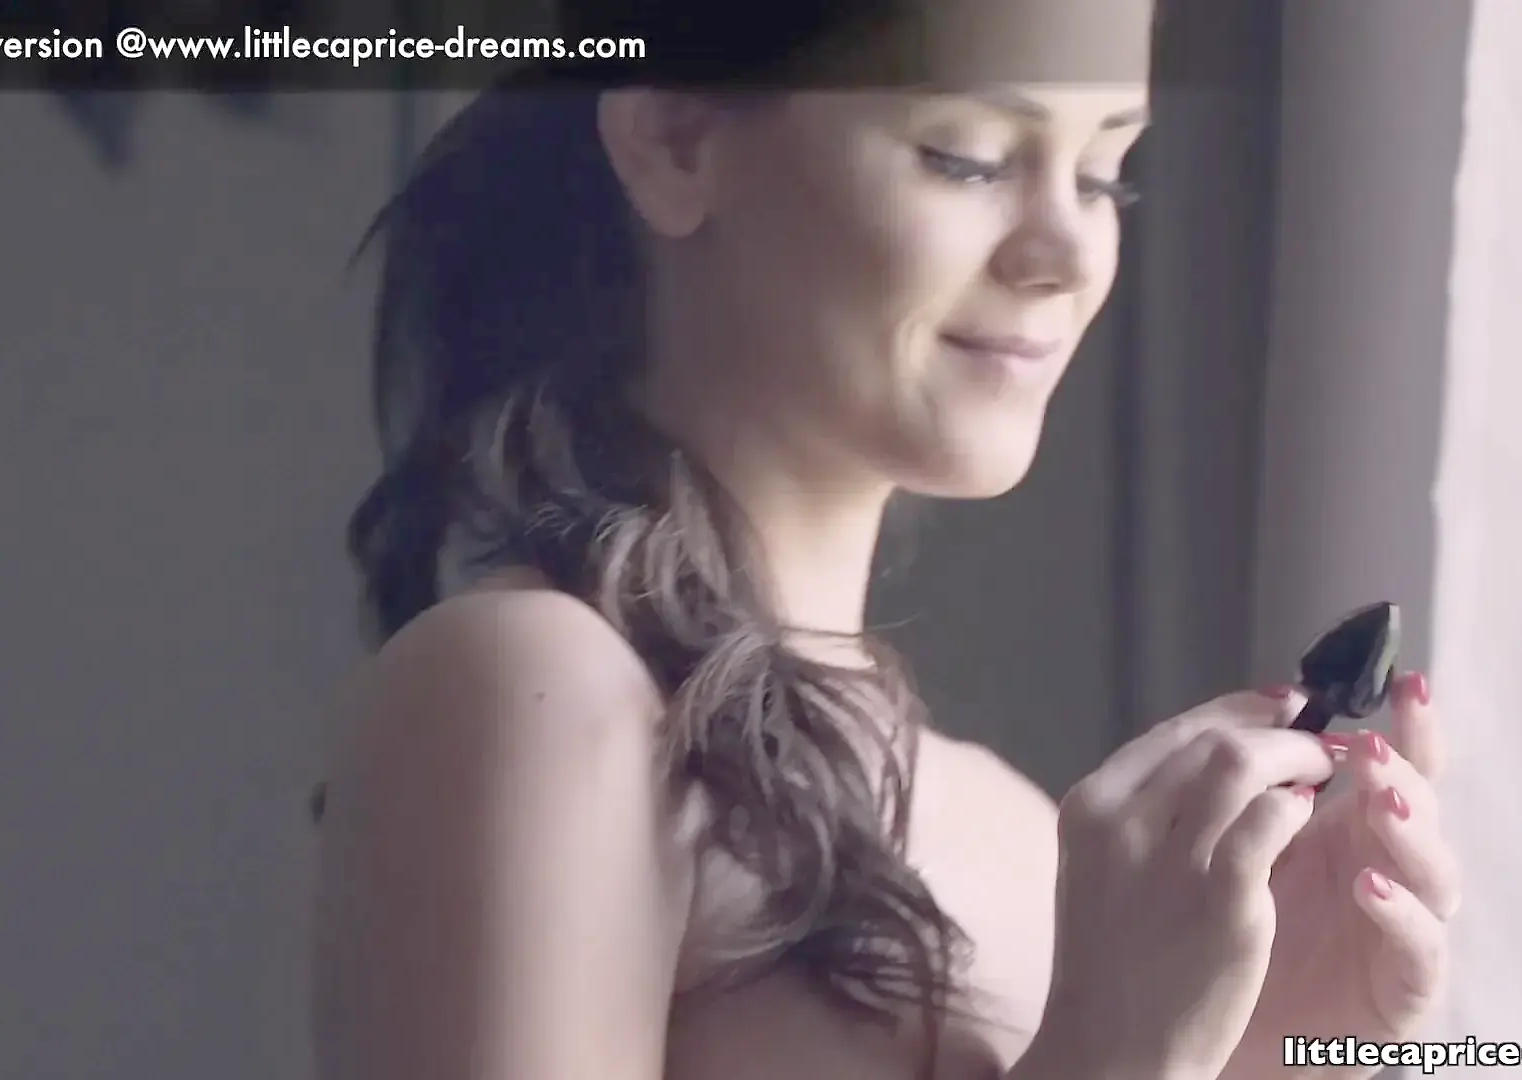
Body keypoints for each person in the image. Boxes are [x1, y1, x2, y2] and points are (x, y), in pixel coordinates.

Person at [307, 0, 1461, 1077]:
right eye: (968, 157)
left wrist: (1257, 1049)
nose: (1066, 252)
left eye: (1107, 173)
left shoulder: (1021, 827)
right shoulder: (538, 692)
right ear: (675, 135)